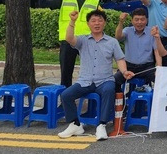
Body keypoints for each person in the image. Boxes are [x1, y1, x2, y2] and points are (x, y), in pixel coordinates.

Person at [57, 10, 133, 140]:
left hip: (105, 81)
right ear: (88, 24)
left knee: (110, 89)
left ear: (104, 23)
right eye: (93, 21)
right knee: (66, 95)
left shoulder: (112, 42)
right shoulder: (83, 40)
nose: (96, 23)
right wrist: (72, 21)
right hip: (85, 81)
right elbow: (69, 38)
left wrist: (124, 71)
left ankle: (102, 125)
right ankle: (75, 124)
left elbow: (119, 59)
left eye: (100, 20)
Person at [39, 0, 100, 88]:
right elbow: (44, 4)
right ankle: (65, 98)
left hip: (87, 41)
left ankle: (89, 96)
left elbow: (101, 20)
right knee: (66, 73)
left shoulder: (94, 1)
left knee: (91, 72)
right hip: (68, 40)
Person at [113, 9, 161, 92]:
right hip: (129, 66)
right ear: (132, 20)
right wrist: (121, 22)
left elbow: (157, 51)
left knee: (160, 81)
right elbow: (118, 37)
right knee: (114, 81)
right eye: (136, 19)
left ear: (147, 20)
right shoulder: (128, 30)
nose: (139, 22)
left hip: (147, 67)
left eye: (142, 19)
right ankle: (121, 103)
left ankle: (153, 103)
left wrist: (159, 68)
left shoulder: (152, 32)